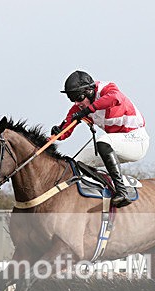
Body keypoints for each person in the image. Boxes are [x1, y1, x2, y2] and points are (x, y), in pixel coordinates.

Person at [50, 70, 149, 207]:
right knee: (77, 163)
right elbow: (65, 130)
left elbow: (115, 97)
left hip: (136, 140)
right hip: (114, 144)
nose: (77, 103)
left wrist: (89, 110)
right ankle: (97, 195)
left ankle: (122, 191)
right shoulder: (80, 107)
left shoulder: (107, 89)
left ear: (90, 91)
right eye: (72, 100)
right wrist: (58, 132)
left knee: (103, 141)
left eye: (78, 98)